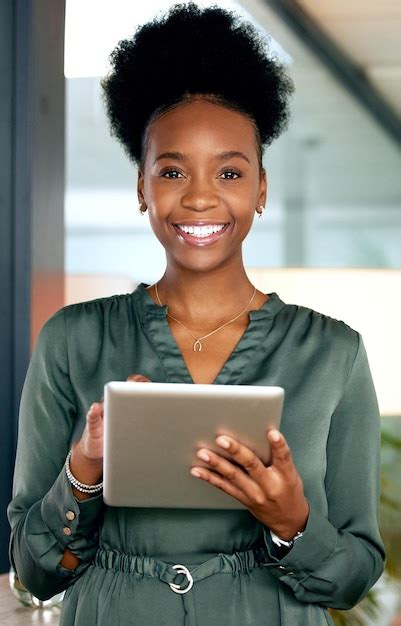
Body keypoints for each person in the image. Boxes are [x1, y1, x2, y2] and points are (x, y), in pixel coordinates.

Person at [7, 3, 386, 625]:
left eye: (230, 171)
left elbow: (351, 577)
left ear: (261, 189)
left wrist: (293, 524)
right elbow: (35, 569)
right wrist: (83, 472)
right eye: (172, 170)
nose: (202, 196)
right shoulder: (72, 340)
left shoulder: (333, 354)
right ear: (142, 188)